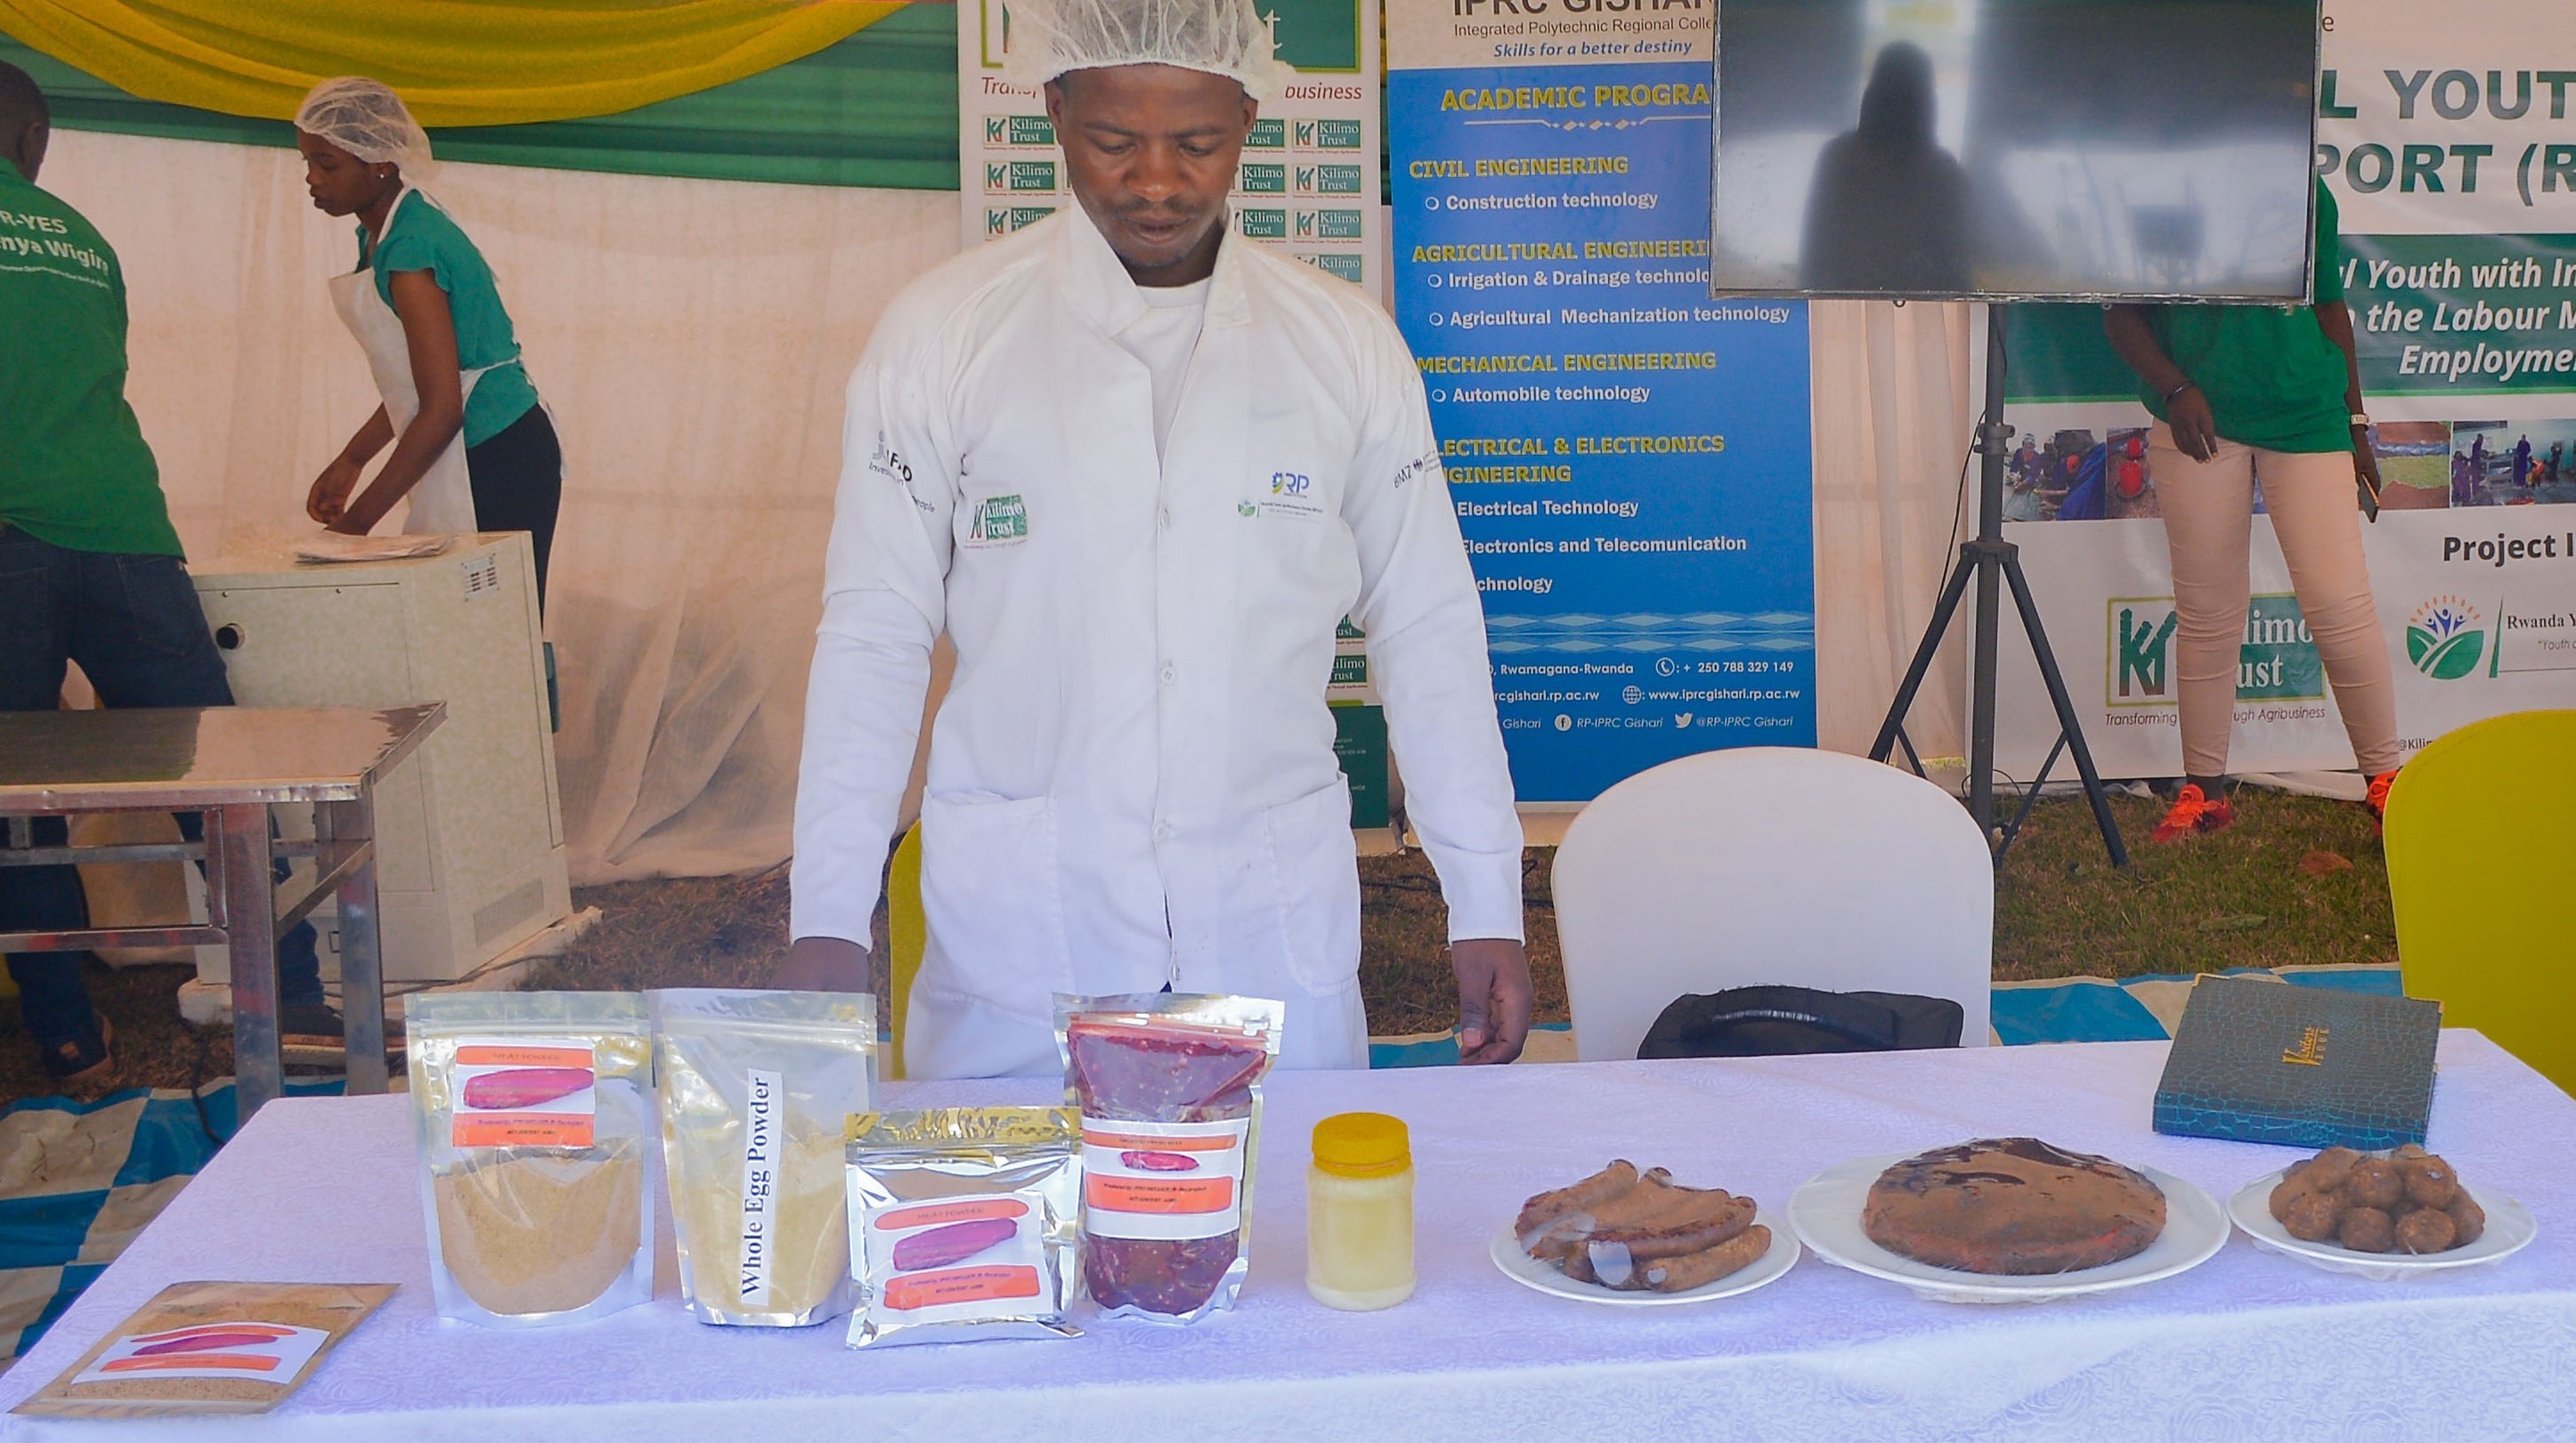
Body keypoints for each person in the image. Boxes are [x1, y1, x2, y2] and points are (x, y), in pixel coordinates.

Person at [781, 0, 1532, 1078]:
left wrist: (1484, 897)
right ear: (1053, 109)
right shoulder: (943, 335)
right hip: (1026, 946)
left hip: (1267, 931)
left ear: (1249, 116)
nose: (1156, 181)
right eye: (1114, 140)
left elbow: (1428, 628)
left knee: (1280, 1230)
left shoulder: (1344, 348)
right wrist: (829, 912)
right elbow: (875, 630)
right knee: (1026, 1232)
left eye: (1196, 142)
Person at [0, 63, 336, 1082]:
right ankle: (298, 1004)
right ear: (35, 145)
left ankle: (65, 1030)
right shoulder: (86, 243)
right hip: (125, 531)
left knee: (20, 798)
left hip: (10, 538)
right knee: (217, 786)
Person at [2105, 178, 2401, 840]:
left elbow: (2328, 307)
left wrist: (2355, 423)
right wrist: (2174, 386)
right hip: (2196, 419)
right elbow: (2118, 313)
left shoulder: (2307, 187)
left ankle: (2386, 784)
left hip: (2306, 413)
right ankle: (2201, 792)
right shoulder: (2163, 185)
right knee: (2208, 609)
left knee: (2337, 602)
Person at [295, 79, 561, 604]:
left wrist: (350, 531)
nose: (312, 179)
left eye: (327, 164)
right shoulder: (380, 234)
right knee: (462, 629)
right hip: (467, 444)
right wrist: (352, 459)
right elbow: (413, 379)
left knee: (490, 630)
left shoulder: (413, 247)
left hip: (497, 452)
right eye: (306, 162)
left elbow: (441, 409)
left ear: (380, 163)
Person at [1800, 43, 1973, 295]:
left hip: (1837, 306)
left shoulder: (1838, 157)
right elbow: (1958, 274)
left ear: (1873, 91)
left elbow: (1814, 261)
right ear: (1927, 97)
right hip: (1930, 310)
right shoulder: (1943, 169)